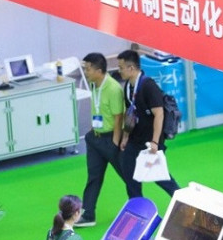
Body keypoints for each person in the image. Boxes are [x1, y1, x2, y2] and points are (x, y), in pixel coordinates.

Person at [116, 49, 180, 199]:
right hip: (134, 140)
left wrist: (155, 142)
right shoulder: (128, 86)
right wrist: (125, 137)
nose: (119, 71)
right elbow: (130, 113)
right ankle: (136, 206)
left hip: (150, 141)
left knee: (160, 177)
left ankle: (183, 201)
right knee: (130, 176)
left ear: (131, 68)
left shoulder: (148, 86)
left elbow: (159, 114)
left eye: (121, 67)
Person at [74, 52, 125, 228]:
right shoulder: (94, 84)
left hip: (111, 139)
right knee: (93, 177)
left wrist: (115, 142)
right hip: (95, 138)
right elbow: (98, 108)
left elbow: (118, 117)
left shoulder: (113, 88)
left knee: (128, 176)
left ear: (99, 70)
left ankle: (140, 207)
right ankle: (88, 214)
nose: (85, 72)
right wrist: (92, 130)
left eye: (88, 69)